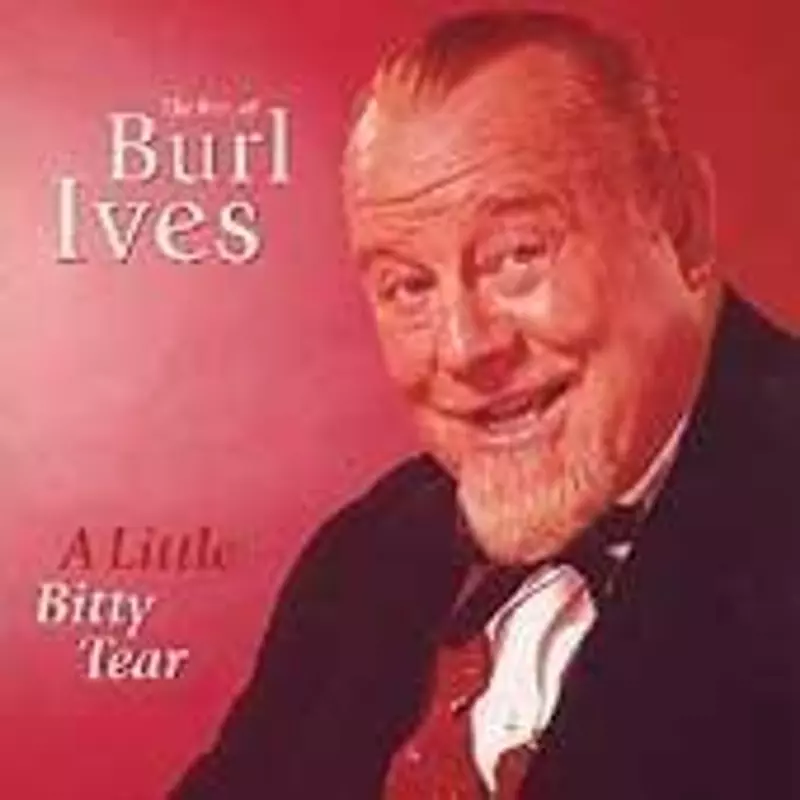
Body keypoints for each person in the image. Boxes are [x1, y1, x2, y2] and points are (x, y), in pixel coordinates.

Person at [172, 10, 799, 799]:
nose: (465, 348)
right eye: (409, 286)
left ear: (680, 227)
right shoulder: (364, 556)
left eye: (517, 254)